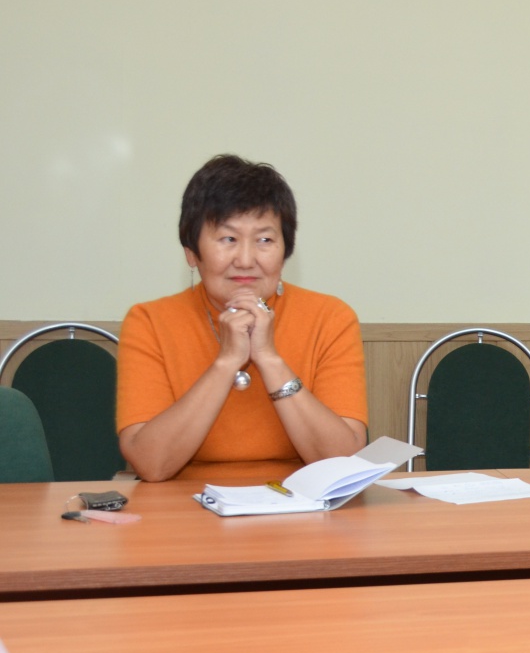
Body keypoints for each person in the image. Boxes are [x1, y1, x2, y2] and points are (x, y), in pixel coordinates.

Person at [117, 155, 368, 482]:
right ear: (191, 253)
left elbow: (342, 463)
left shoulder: (330, 318)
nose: (246, 260)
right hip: (185, 503)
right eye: (228, 239)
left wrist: (268, 358)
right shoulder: (149, 322)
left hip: (300, 501)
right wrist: (226, 362)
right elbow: (151, 464)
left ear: (285, 252)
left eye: (265, 240)